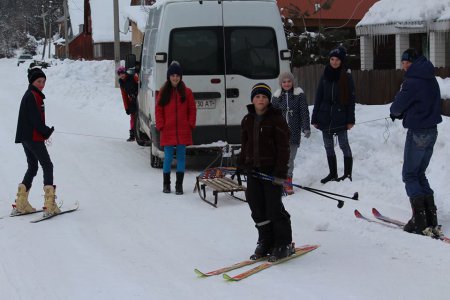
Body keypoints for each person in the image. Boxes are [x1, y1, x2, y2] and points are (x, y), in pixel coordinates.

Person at [238, 82, 294, 262]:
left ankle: (283, 243)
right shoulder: (248, 120)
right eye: (257, 97)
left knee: (273, 208)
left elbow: (284, 148)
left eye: (263, 97)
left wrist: (280, 172)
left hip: (271, 172)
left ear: (268, 100)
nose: (260, 100)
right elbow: (245, 144)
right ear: (252, 99)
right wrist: (241, 163)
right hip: (254, 172)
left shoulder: (276, 119)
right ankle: (266, 240)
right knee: (256, 206)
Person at [390, 48, 442, 236]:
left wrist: (396, 112)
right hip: (432, 130)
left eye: (404, 62)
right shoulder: (430, 78)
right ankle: (431, 218)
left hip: (418, 131)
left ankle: (419, 220)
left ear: (410, 62)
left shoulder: (412, 81)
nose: (402, 66)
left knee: (410, 175)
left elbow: (397, 106)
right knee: (419, 173)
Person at [12, 66, 60, 217]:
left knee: (33, 166)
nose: (41, 84)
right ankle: (49, 204)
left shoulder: (31, 94)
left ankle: (21, 203)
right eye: (39, 81)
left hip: (26, 137)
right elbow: (35, 119)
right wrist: (46, 131)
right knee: (47, 165)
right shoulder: (33, 95)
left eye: (44, 81)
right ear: (32, 81)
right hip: (33, 137)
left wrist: (44, 131)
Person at [311, 46, 356, 184]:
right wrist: (315, 117)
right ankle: (333, 173)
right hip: (325, 116)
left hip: (340, 116)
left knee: (343, 145)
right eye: (332, 59)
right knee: (328, 146)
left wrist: (350, 119)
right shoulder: (325, 74)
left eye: (337, 60)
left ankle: (347, 174)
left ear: (342, 61)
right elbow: (318, 96)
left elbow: (351, 99)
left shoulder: (346, 76)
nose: (334, 62)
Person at [155, 61, 196, 195]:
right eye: (172, 75)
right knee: (167, 158)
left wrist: (190, 123)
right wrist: (161, 125)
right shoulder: (163, 92)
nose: (175, 78)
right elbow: (158, 110)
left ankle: (179, 186)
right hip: (168, 130)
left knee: (181, 157)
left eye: (177, 75)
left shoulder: (187, 92)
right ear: (168, 77)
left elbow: (192, 109)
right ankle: (166, 185)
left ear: (181, 76)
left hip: (183, 130)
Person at [272, 71, 311, 195]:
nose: (287, 83)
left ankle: (288, 180)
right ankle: (279, 181)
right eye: (284, 82)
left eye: (289, 81)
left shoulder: (299, 94)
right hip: (280, 132)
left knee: (290, 158)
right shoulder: (277, 96)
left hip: (294, 131)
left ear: (293, 82)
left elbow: (304, 112)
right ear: (281, 83)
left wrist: (306, 127)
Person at [117, 66, 139, 142]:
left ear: (125, 73)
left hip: (139, 97)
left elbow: (140, 84)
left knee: (140, 116)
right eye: (120, 74)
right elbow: (124, 95)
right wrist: (127, 108)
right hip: (132, 100)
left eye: (123, 73)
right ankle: (132, 135)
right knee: (132, 116)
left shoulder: (133, 77)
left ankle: (141, 133)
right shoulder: (121, 83)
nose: (122, 75)